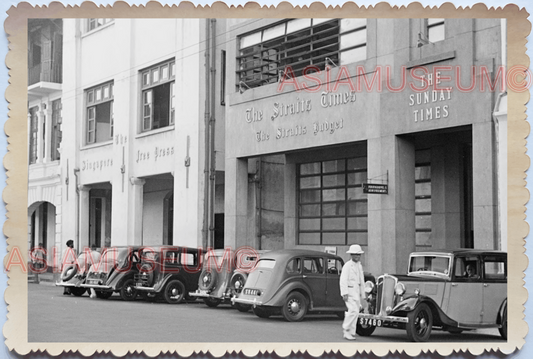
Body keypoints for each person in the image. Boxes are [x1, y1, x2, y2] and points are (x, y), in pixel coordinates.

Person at [339, 244, 366, 340]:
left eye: (358, 254)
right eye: (355, 254)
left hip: (356, 293)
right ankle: (346, 329)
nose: (357, 256)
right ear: (351, 255)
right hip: (349, 293)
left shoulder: (359, 266)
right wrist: (344, 293)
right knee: (353, 311)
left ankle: (350, 331)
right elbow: (343, 280)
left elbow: (361, 281)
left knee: (355, 311)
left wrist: (363, 294)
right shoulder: (347, 266)